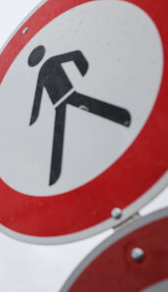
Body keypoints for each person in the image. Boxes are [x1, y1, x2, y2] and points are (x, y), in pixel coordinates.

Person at [28, 45, 131, 186]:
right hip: (62, 101)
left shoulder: (50, 64)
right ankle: (54, 174)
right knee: (60, 131)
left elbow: (75, 56)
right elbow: (38, 95)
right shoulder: (45, 68)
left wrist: (34, 117)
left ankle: (123, 116)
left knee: (61, 131)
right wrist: (33, 117)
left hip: (66, 97)